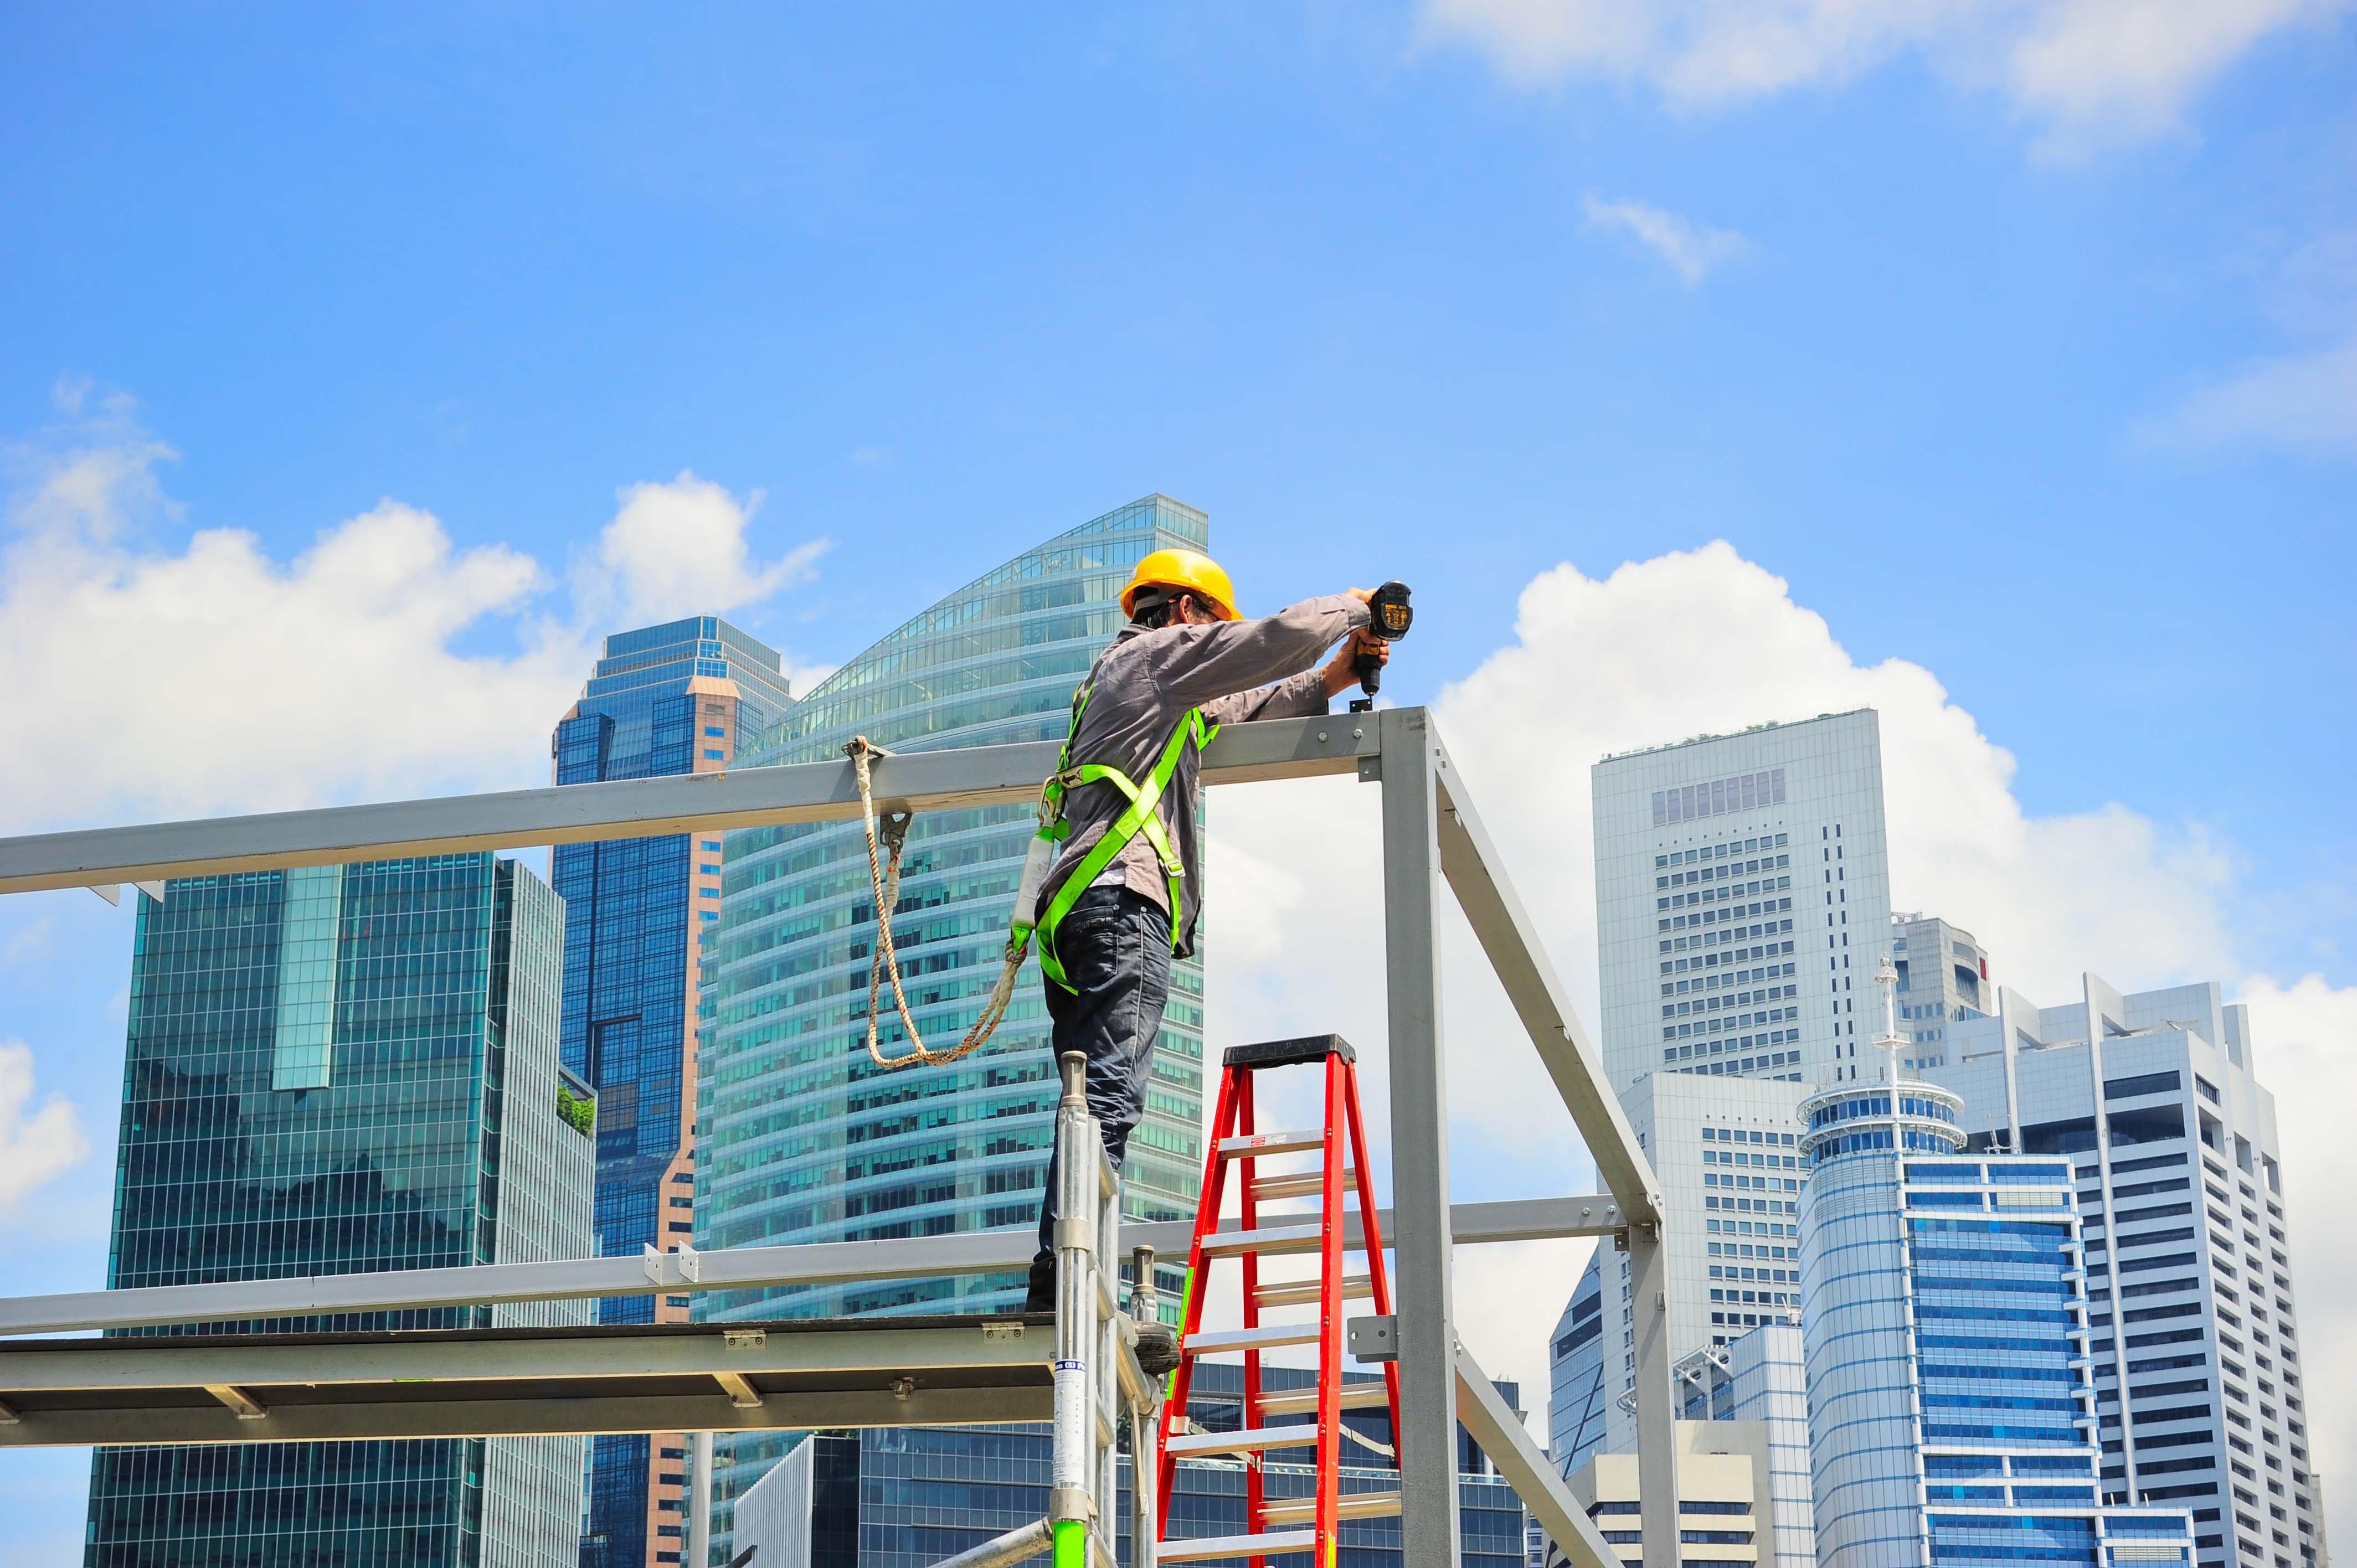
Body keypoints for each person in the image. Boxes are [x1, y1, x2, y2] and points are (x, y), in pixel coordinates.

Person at [1025, 548, 1389, 1316]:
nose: (1216, 643)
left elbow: (1254, 703)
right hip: (1124, 902)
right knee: (1110, 1099)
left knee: (1088, 1100)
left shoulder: (1136, 689)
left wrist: (1336, 678)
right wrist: (1355, 608)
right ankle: (1068, 1285)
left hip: (1086, 909)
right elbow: (1272, 643)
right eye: (1212, 628)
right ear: (1187, 614)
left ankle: (1056, 1276)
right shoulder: (1157, 660)